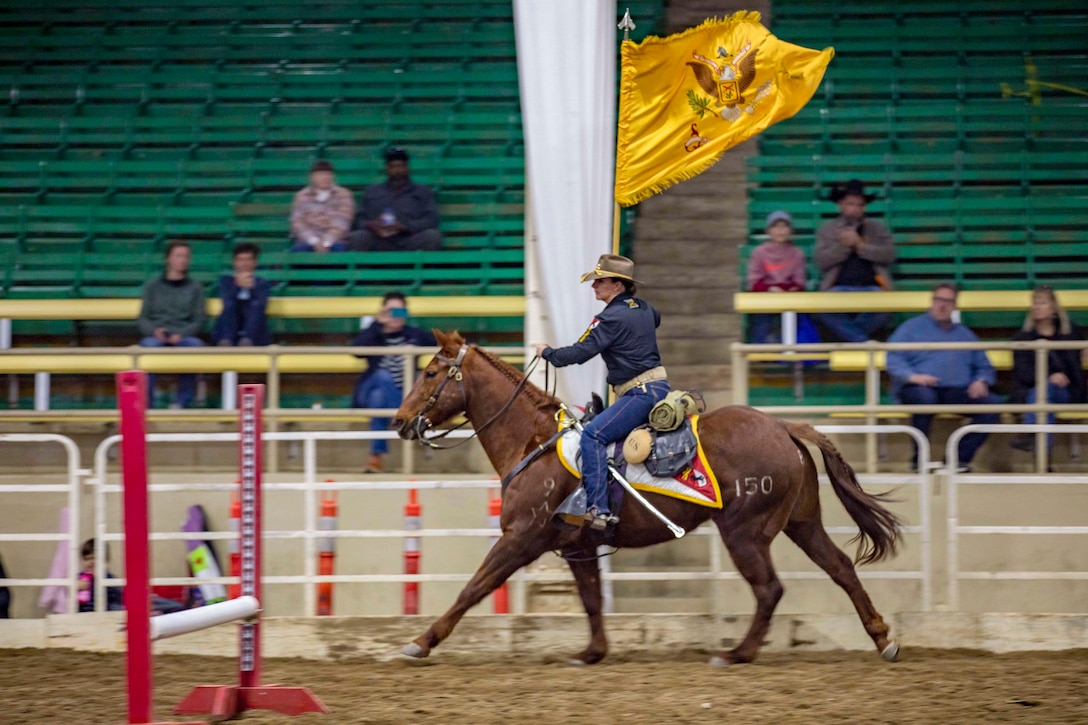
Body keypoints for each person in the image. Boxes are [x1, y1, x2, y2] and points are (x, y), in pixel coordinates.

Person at [536, 254, 670, 531]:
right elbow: (654, 320)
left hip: (639, 393)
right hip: (658, 387)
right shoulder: (646, 308)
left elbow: (578, 352)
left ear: (618, 285)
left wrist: (547, 353)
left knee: (593, 435)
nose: (594, 286)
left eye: (600, 281)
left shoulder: (608, 318)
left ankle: (599, 508)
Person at [886, 283, 1003, 471]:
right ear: (932, 302)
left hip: (956, 390)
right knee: (925, 398)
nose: (942, 305)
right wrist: (913, 376)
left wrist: (981, 380)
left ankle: (957, 460)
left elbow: (984, 366)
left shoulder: (965, 335)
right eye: (939, 300)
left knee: (992, 405)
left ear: (955, 306)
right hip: (919, 388)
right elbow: (892, 357)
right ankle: (919, 460)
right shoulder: (910, 328)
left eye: (948, 301)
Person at [350, 291, 437, 473]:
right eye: (391, 311)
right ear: (382, 312)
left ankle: (375, 457)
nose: (396, 316)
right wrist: (377, 324)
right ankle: (404, 418)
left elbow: (442, 343)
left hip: (398, 392)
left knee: (378, 399)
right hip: (370, 386)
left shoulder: (413, 335)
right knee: (382, 376)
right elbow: (355, 350)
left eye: (400, 312)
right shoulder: (374, 334)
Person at [813, 179, 897, 342]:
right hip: (838, 287)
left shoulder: (877, 228)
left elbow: (889, 255)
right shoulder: (827, 230)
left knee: (887, 306)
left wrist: (860, 245)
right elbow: (821, 261)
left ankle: (850, 340)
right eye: (850, 204)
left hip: (873, 287)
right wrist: (843, 247)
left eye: (859, 205)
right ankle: (861, 342)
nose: (855, 209)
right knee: (823, 308)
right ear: (841, 205)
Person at [1010, 286, 1088, 452]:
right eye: (1035, 303)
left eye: (1042, 303)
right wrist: (1049, 376)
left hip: (1067, 391)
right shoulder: (1023, 338)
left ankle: (1031, 435)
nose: (1037, 307)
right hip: (1033, 391)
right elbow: (1023, 372)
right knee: (1044, 394)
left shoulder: (1071, 333)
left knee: (1044, 395)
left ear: (1053, 308)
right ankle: (1043, 455)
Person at [138, 240, 205, 408]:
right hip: (157, 335)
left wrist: (182, 334)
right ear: (168, 258)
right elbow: (143, 318)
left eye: (186, 256)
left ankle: (182, 402)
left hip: (183, 335)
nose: (183, 260)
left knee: (194, 346)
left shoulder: (196, 288)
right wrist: (154, 331)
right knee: (148, 348)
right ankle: (147, 405)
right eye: (178, 256)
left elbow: (199, 320)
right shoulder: (152, 286)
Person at [346, 147, 442, 252]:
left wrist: (404, 226)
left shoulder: (422, 191)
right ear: (386, 169)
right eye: (392, 167)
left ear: (407, 168)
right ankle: (362, 268)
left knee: (432, 236)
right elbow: (359, 221)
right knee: (357, 237)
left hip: (409, 239)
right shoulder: (372, 192)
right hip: (380, 240)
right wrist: (373, 225)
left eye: (400, 166)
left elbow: (431, 220)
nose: (397, 171)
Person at [746, 209, 807, 343]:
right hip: (765, 297)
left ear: (791, 230)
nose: (780, 230)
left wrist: (791, 289)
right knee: (762, 316)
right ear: (768, 231)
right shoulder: (759, 252)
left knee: (796, 316)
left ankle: (791, 354)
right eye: (776, 226)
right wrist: (769, 289)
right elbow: (753, 281)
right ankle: (759, 352)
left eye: (784, 226)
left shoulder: (797, 253)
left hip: (790, 297)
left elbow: (799, 281)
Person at [212, 242, 272, 347]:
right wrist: (237, 285)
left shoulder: (263, 283)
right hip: (230, 324)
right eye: (240, 260)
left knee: (256, 305)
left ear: (255, 262)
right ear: (234, 262)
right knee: (230, 305)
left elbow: (263, 305)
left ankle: (247, 340)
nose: (244, 263)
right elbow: (226, 301)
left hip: (255, 330)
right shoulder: (225, 281)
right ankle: (226, 341)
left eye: (248, 260)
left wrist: (252, 288)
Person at [289, 160, 354, 252]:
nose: (325, 178)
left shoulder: (343, 195)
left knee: (339, 250)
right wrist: (314, 241)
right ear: (312, 177)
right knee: (298, 250)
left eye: (328, 174)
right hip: (307, 241)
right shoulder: (301, 196)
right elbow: (297, 223)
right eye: (321, 174)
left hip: (335, 242)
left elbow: (342, 223)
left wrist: (326, 242)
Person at [77, 538, 124, 612]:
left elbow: (115, 597)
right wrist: (75, 587)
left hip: (105, 612)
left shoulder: (108, 577)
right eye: (86, 559)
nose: (91, 562)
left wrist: (99, 578)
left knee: (116, 607)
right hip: (84, 613)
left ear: (106, 560)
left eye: (95, 558)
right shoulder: (80, 577)